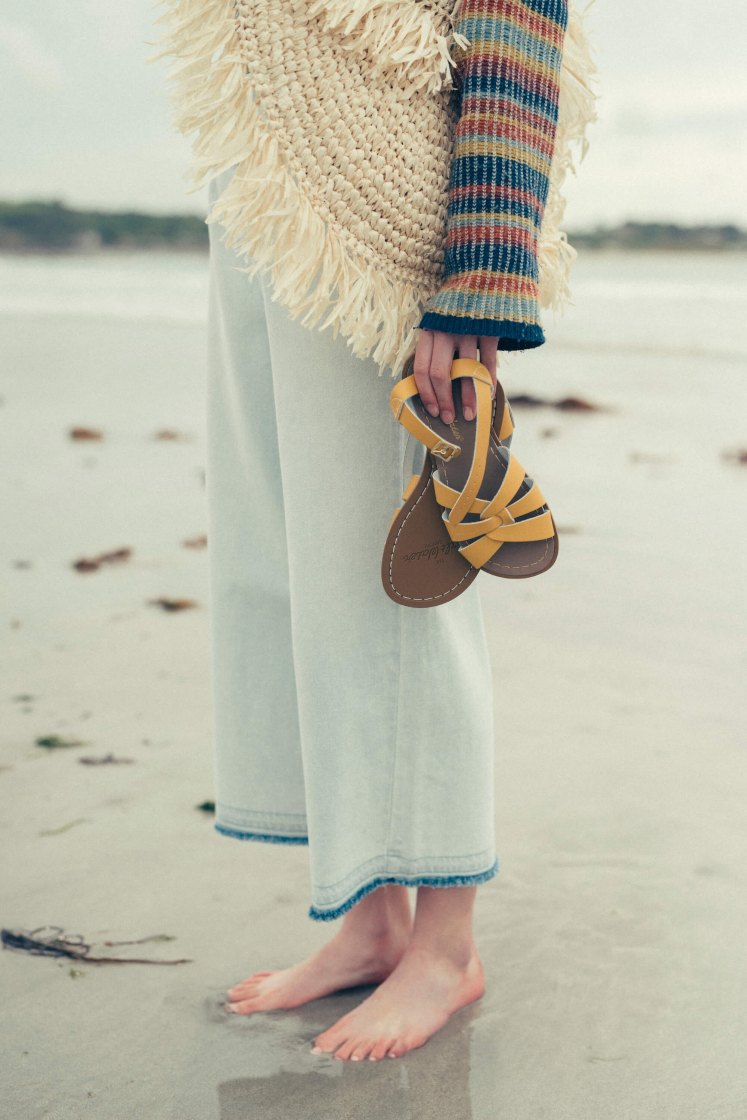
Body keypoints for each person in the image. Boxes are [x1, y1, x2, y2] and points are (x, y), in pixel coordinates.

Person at [160, 0, 595, 1061]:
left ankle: (446, 945)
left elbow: (515, 22)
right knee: (287, 562)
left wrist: (481, 273)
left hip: (385, 200)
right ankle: (369, 914)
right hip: (267, 172)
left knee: (398, 571)